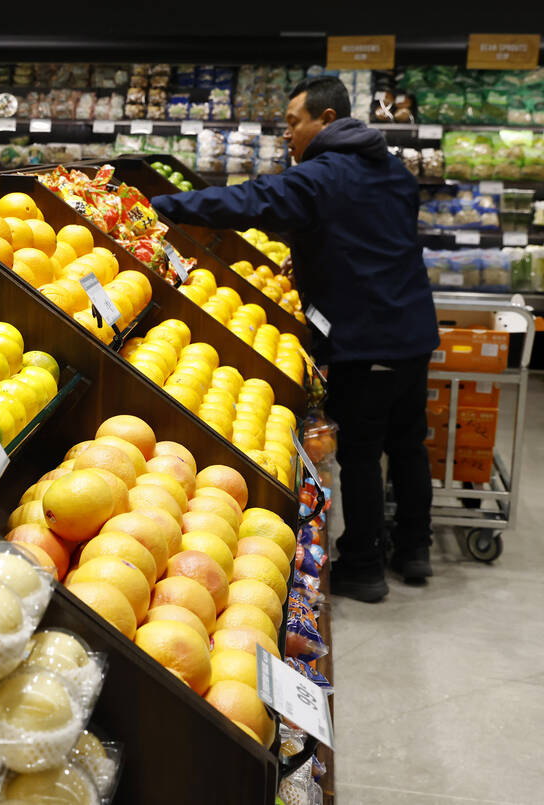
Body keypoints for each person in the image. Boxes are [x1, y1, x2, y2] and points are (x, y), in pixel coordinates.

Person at [150, 76, 439, 603]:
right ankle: (416, 547)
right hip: (412, 329)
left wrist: (163, 206)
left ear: (326, 120)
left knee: (361, 450)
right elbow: (369, 237)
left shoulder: (324, 173)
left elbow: (254, 200)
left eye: (293, 121)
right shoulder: (392, 170)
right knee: (408, 443)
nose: (288, 133)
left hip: (366, 336)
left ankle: (364, 567)